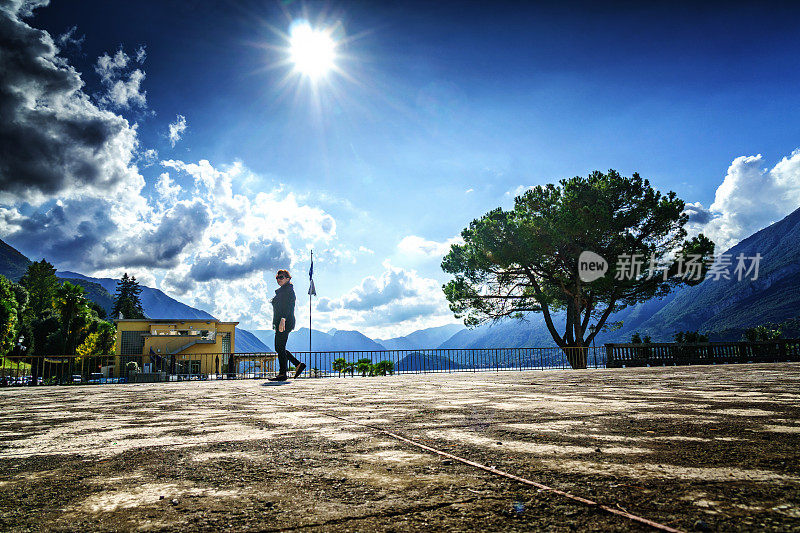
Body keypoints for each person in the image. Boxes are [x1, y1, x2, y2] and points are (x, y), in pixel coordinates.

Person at [269, 269, 306, 381]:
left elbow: (289, 307)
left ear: (288, 278)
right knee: (279, 347)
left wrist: (283, 319)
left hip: (285, 322)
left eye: (281, 277)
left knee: (279, 347)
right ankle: (297, 364)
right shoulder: (282, 291)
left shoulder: (288, 291)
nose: (278, 279)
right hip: (281, 321)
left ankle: (283, 373)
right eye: (277, 277)